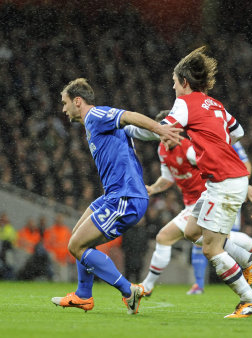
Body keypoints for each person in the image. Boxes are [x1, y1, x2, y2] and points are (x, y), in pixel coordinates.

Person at [51, 78, 182, 315]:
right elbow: (134, 130)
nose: (63, 108)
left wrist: (161, 128)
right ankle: (83, 296)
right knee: (78, 239)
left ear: (77, 101)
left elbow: (130, 116)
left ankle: (127, 290)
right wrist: (157, 132)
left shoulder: (96, 115)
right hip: (114, 195)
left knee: (76, 246)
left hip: (125, 197)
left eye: (65, 102)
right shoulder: (95, 124)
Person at [161, 46, 252, 318]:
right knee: (193, 232)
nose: (173, 88)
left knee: (210, 248)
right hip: (224, 179)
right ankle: (248, 259)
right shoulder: (214, 103)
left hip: (226, 180)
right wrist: (217, 145)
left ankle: (250, 299)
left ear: (184, 82)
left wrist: (130, 126)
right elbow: (238, 131)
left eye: (174, 83)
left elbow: (167, 128)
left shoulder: (185, 102)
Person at [127, 111, 252, 298]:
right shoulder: (162, 149)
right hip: (193, 205)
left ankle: (147, 286)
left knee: (167, 237)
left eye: (165, 132)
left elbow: (216, 167)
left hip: (205, 200)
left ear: (176, 130)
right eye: (159, 134)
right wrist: (153, 189)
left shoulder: (189, 150)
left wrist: (242, 186)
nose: (162, 138)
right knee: (219, 240)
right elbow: (167, 177)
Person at [187, 140, 252, 294]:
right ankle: (200, 284)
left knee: (220, 237)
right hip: (208, 193)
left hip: (225, 193)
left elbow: (247, 165)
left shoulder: (228, 138)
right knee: (197, 234)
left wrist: (241, 186)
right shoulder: (191, 140)